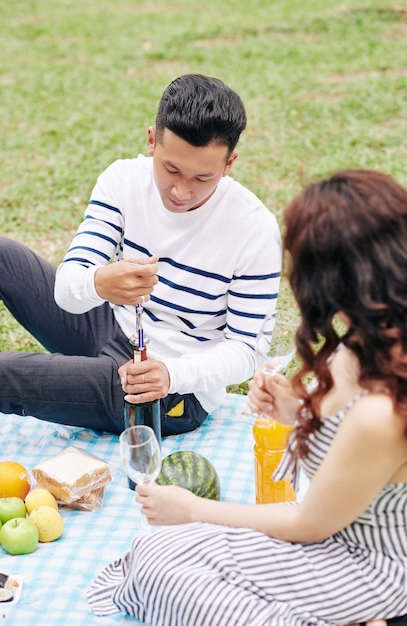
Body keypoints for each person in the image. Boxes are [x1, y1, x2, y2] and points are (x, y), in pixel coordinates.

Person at [87, 169, 407, 625]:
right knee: (153, 551)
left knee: (173, 575)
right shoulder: (364, 338)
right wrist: (295, 409)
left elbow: (310, 524)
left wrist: (196, 511)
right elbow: (346, 433)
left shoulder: (384, 408)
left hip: (362, 564)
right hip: (326, 531)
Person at [0, 74, 281, 436]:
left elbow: (246, 352)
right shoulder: (123, 181)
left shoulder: (254, 230)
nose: (181, 190)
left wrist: (171, 374)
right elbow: (67, 291)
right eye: (170, 168)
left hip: (172, 390)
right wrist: (100, 283)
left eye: (203, 178)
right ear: (151, 142)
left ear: (229, 163)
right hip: (111, 329)